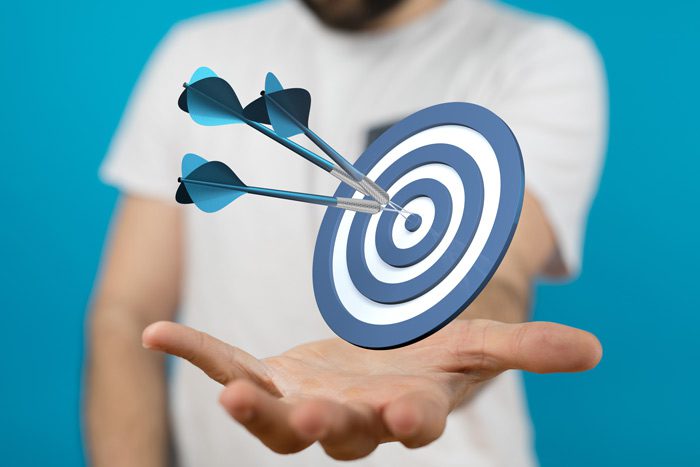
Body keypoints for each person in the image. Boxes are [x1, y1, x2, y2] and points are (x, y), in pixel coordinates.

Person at [85, 0, 607, 465]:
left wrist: (439, 345)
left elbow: (502, 268)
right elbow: (126, 312)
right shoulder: (198, 48)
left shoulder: (535, 55)